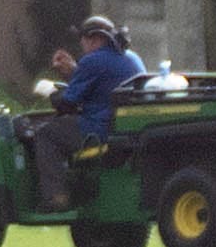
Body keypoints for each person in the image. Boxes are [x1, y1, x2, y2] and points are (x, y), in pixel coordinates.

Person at [29, 16, 147, 208]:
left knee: (46, 134)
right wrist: (75, 71)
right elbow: (101, 83)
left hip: (99, 129)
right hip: (125, 127)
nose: (81, 44)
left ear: (93, 39)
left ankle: (56, 197)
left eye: (82, 39)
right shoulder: (132, 58)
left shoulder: (93, 60)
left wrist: (50, 92)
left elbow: (67, 104)